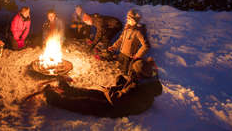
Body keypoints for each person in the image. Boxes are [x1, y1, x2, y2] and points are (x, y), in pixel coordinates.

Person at [24, 57, 161, 118]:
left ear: (138, 74)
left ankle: (54, 99)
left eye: (133, 72)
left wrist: (112, 90)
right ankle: (69, 89)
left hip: (117, 108)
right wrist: (121, 83)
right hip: (123, 99)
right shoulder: (147, 79)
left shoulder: (137, 87)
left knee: (86, 103)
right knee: (92, 92)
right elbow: (128, 88)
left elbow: (117, 99)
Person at [107, 9, 150, 74]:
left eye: (129, 18)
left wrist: (138, 55)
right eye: (127, 18)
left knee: (125, 73)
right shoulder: (127, 29)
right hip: (121, 54)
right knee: (118, 70)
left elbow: (146, 46)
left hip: (129, 58)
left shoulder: (138, 32)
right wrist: (114, 47)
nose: (127, 20)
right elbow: (121, 39)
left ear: (134, 20)